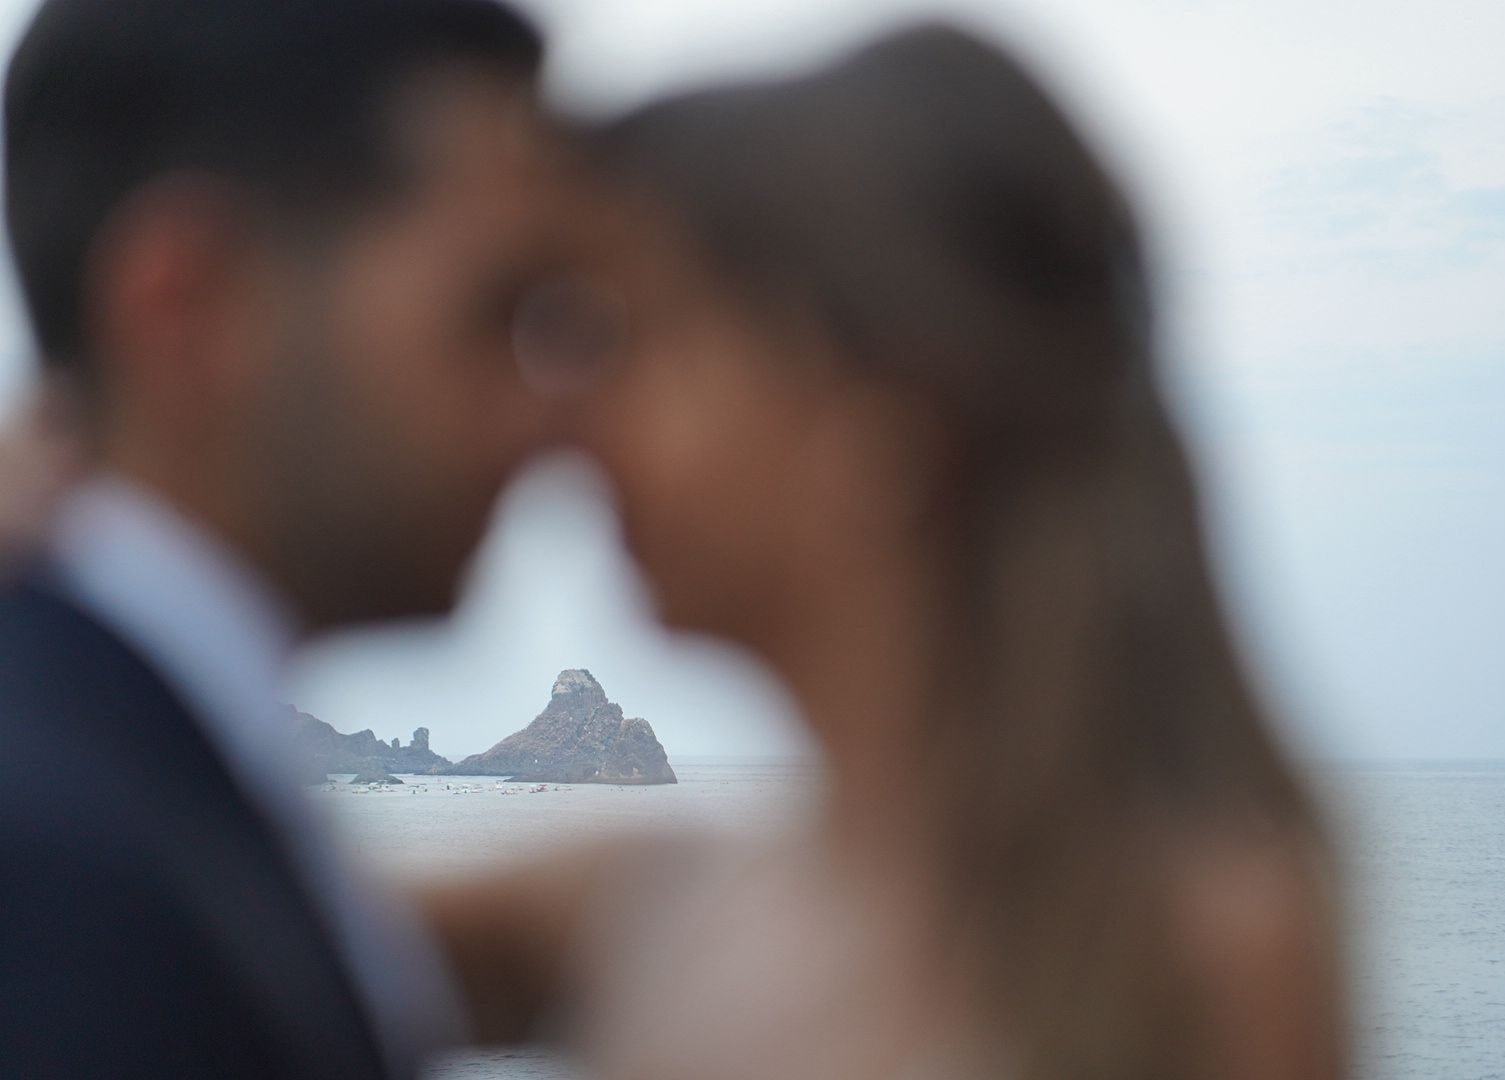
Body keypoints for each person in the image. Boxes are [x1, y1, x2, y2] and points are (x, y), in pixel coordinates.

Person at [428, 23, 1344, 1080]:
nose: (562, 419)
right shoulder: (637, 904)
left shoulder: (1194, 959)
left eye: (630, 339)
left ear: (873, 435)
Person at [0, 1, 556, 1076]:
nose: (549, 413)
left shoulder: (149, 784)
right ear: (187, 306)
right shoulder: (62, 868)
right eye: (494, 314)